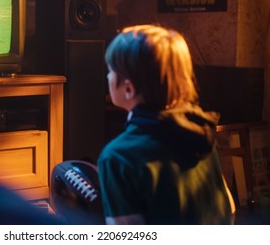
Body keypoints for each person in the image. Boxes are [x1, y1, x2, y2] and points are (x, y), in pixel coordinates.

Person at [97, 24, 235, 225]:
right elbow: (228, 209)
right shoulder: (201, 132)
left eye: (110, 71)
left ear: (128, 88)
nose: (108, 76)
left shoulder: (118, 157)